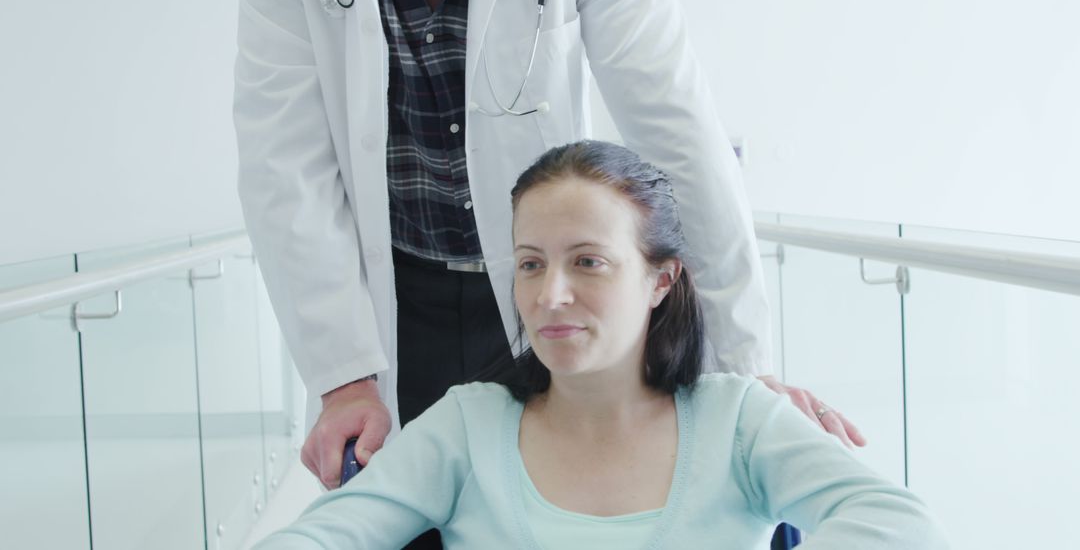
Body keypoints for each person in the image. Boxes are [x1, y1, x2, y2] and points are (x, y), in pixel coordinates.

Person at [233, 0, 864, 513]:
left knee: (566, 510)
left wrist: (745, 371)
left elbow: (679, 131)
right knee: (414, 515)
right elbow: (284, 165)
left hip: (543, 291)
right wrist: (344, 378)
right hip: (400, 301)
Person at [252, 141, 947, 549]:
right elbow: (318, 539)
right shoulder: (470, 425)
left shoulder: (737, 419)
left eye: (587, 261)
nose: (549, 294)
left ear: (659, 279)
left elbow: (900, 524)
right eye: (530, 263)